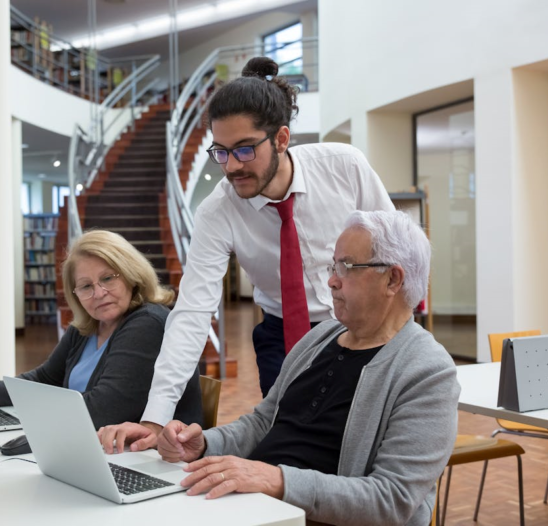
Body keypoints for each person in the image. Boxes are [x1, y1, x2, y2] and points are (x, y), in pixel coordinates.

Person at [109, 55, 394, 447]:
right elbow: (192, 312)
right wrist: (156, 418)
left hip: (362, 324)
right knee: (289, 442)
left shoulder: (344, 167)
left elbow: (398, 254)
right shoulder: (218, 210)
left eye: (244, 150)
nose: (230, 167)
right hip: (282, 334)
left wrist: (403, 336)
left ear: (281, 138)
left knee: (365, 442)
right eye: (221, 152)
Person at [154, 210, 460, 526]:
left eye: (347, 266)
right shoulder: (320, 337)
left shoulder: (427, 371)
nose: (332, 279)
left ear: (393, 279)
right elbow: (263, 423)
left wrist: (277, 480)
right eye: (333, 265)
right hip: (255, 508)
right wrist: (206, 443)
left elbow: (391, 500)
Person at [0, 230, 203, 430]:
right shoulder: (87, 327)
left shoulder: (148, 323)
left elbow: (103, 409)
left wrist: (29, 420)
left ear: (131, 275)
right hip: (98, 450)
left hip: (153, 464)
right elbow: (45, 378)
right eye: (86, 286)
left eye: (108, 278)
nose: (99, 293)